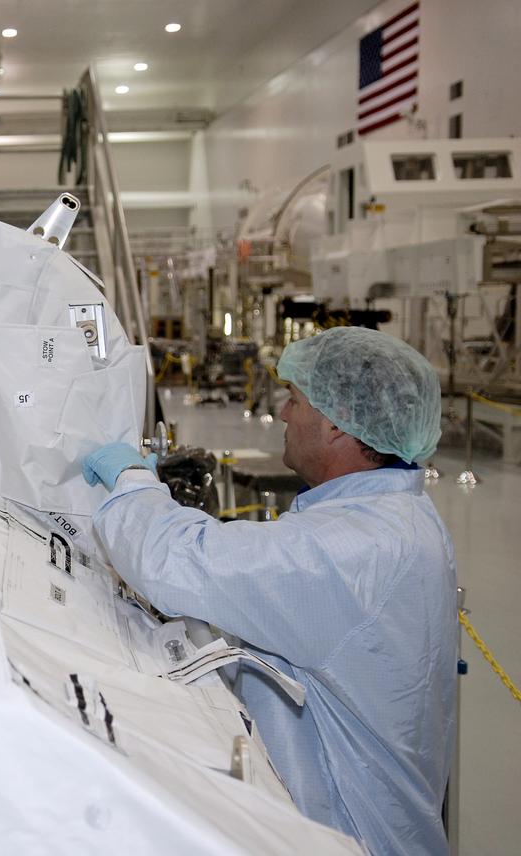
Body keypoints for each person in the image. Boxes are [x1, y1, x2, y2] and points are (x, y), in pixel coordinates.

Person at [81, 326, 454, 856]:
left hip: (350, 838)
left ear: (336, 426)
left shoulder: (352, 552)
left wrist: (131, 482)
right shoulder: (399, 515)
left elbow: (177, 562)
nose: (283, 414)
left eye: (295, 400)